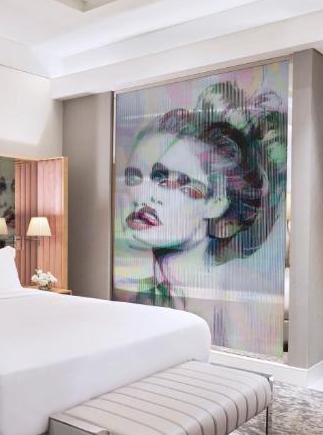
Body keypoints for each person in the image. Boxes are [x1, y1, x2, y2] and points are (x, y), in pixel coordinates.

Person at [116, 80, 287, 311]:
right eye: (134, 178)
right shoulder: (141, 300)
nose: (142, 195)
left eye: (167, 180)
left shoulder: (245, 303)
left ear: (216, 201)